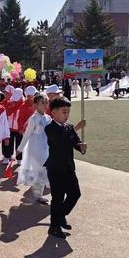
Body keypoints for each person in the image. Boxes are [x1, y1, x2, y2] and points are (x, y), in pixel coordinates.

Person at [44, 98, 87, 239]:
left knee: (75, 194)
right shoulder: (50, 128)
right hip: (55, 169)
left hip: (68, 167)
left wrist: (81, 146)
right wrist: (76, 129)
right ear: (53, 113)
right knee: (57, 198)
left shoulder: (69, 127)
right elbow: (62, 141)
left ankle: (60, 216)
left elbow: (75, 142)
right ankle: (54, 226)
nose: (66, 114)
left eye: (68, 112)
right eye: (64, 112)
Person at [16, 92, 52, 203]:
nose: (45, 105)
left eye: (46, 102)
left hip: (46, 146)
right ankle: (38, 193)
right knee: (44, 167)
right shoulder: (33, 119)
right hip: (36, 146)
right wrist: (19, 149)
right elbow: (27, 135)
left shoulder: (48, 118)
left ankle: (38, 194)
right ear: (36, 105)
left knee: (42, 170)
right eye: (42, 103)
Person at [2, 88, 24, 164]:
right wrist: (11, 107)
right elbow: (6, 113)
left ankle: (19, 159)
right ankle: (7, 156)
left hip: (19, 128)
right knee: (8, 142)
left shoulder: (24, 104)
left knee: (19, 143)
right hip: (9, 127)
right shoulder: (9, 101)